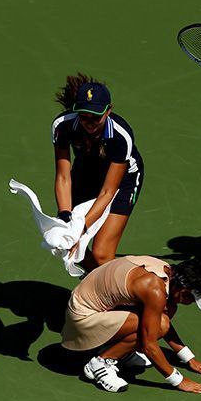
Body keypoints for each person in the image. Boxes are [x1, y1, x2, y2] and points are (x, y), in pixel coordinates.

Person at [60, 255, 201, 393]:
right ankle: (100, 363)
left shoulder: (164, 271)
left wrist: (190, 359)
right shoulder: (154, 290)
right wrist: (179, 380)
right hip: (81, 322)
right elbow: (150, 344)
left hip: (90, 310)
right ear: (183, 290)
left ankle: (123, 351)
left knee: (160, 320)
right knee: (160, 325)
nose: (189, 303)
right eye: (190, 298)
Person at [52, 73, 144, 271]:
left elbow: (107, 193)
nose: (89, 123)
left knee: (102, 254)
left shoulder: (120, 136)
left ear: (108, 111)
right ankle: (102, 286)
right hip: (86, 172)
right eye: (84, 117)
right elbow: (63, 176)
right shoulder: (63, 127)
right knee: (71, 248)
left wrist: (81, 227)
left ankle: (115, 292)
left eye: (95, 117)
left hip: (122, 180)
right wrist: (65, 217)